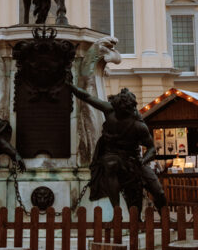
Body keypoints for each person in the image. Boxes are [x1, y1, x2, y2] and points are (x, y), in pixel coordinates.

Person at [66, 82, 167, 216]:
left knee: (157, 190)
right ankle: (116, 209)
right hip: (112, 154)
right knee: (110, 164)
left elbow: (152, 148)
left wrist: (143, 161)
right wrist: (70, 86)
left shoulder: (138, 125)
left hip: (133, 158)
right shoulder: (109, 110)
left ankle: (164, 215)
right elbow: (87, 97)